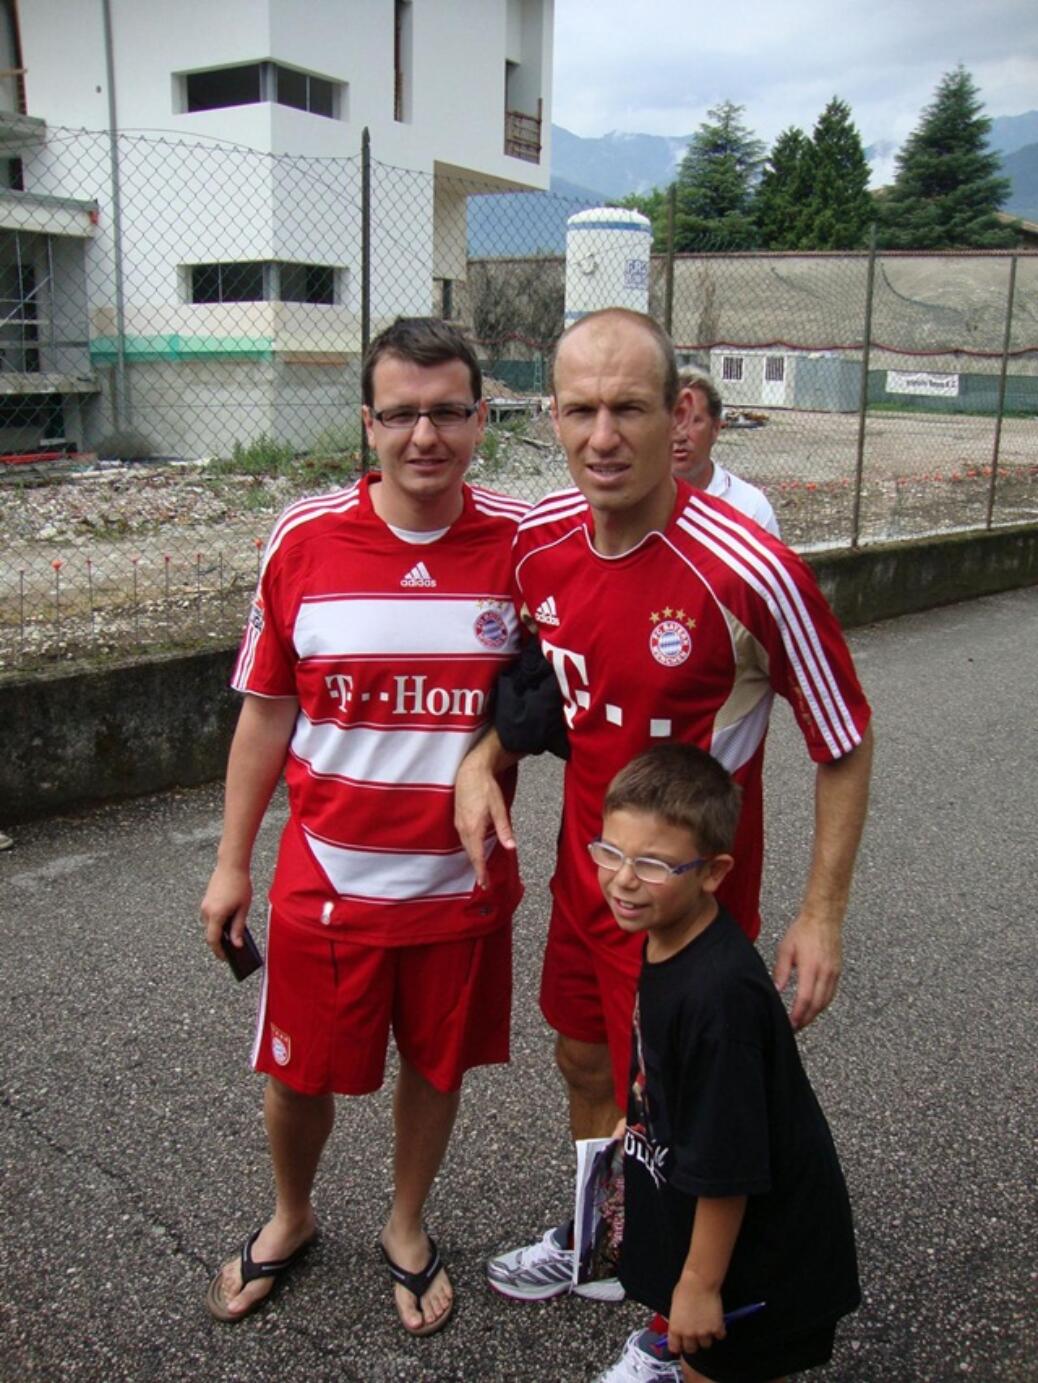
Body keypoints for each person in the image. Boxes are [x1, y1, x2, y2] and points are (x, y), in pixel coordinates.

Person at [458, 308, 872, 1379]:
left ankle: (677, 1314)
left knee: (686, 1119)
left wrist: (822, 913)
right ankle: (605, 1239)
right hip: (588, 881)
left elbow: (845, 740)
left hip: (693, 914)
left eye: (629, 408)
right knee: (584, 1059)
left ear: (676, 412)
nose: (605, 435)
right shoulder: (538, 542)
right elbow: (529, 687)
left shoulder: (749, 570)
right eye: (581, 409)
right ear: (550, 415)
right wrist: (479, 761)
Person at [200, 317, 527, 1335]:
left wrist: (491, 754)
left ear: (480, 419)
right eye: (400, 413)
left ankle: (405, 1223)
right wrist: (230, 868)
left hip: (458, 890)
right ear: (368, 424)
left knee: (436, 1069)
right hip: (325, 887)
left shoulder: (528, 541)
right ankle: (292, 1216)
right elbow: (264, 712)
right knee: (298, 1076)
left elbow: (558, 691)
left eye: (446, 412)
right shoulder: (303, 537)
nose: (423, 434)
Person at [592, 744, 860, 1383]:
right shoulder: (669, 936)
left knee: (712, 1369)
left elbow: (730, 1164)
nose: (623, 879)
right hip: (714, 1218)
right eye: (610, 852)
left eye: (653, 864)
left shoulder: (719, 1000)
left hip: (759, 1259)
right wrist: (639, 1121)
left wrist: (698, 1286)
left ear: (713, 873)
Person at [671, 370, 779, 536]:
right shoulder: (635, 507)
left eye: (694, 421)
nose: (681, 435)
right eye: (673, 420)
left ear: (715, 428)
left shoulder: (751, 508)